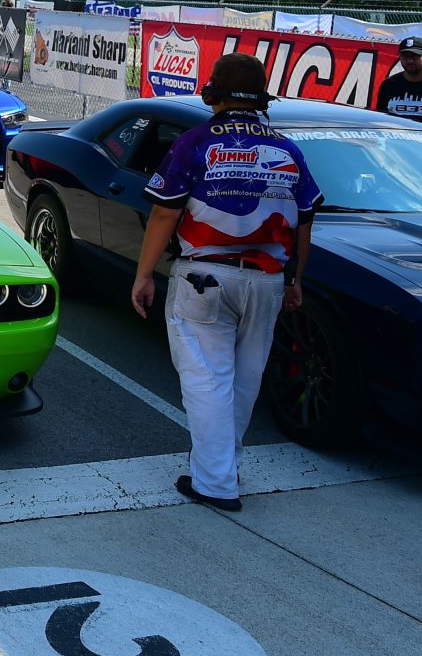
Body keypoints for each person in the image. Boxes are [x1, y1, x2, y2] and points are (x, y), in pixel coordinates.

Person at [133, 53, 318, 513]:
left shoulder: (196, 141)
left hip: (204, 276)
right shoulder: (288, 149)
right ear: (262, 99)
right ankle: (222, 468)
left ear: (212, 93)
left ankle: (215, 483)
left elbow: (163, 211)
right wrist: (296, 279)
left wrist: (143, 274)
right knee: (244, 380)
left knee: (206, 379)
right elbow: (306, 221)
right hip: (269, 280)